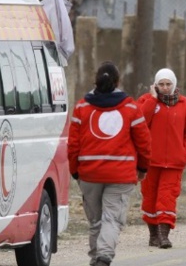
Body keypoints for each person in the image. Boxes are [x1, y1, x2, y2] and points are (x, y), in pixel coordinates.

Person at [68, 61, 152, 266]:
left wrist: (75, 172)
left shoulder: (81, 107)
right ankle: (103, 258)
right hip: (121, 175)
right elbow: (144, 143)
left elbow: (73, 145)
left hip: (89, 174)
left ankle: (96, 258)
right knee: (111, 219)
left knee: (96, 221)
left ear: (95, 80)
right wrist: (142, 168)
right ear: (118, 81)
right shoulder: (131, 108)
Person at [136, 68, 186, 249]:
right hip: (150, 161)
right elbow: (139, 123)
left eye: (168, 84)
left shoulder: (185, 105)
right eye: (161, 84)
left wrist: (184, 153)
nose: (165, 88)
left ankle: (164, 235)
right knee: (149, 198)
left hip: (174, 163)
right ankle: (153, 234)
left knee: (167, 197)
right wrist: (152, 99)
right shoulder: (145, 101)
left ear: (174, 84)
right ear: (155, 85)